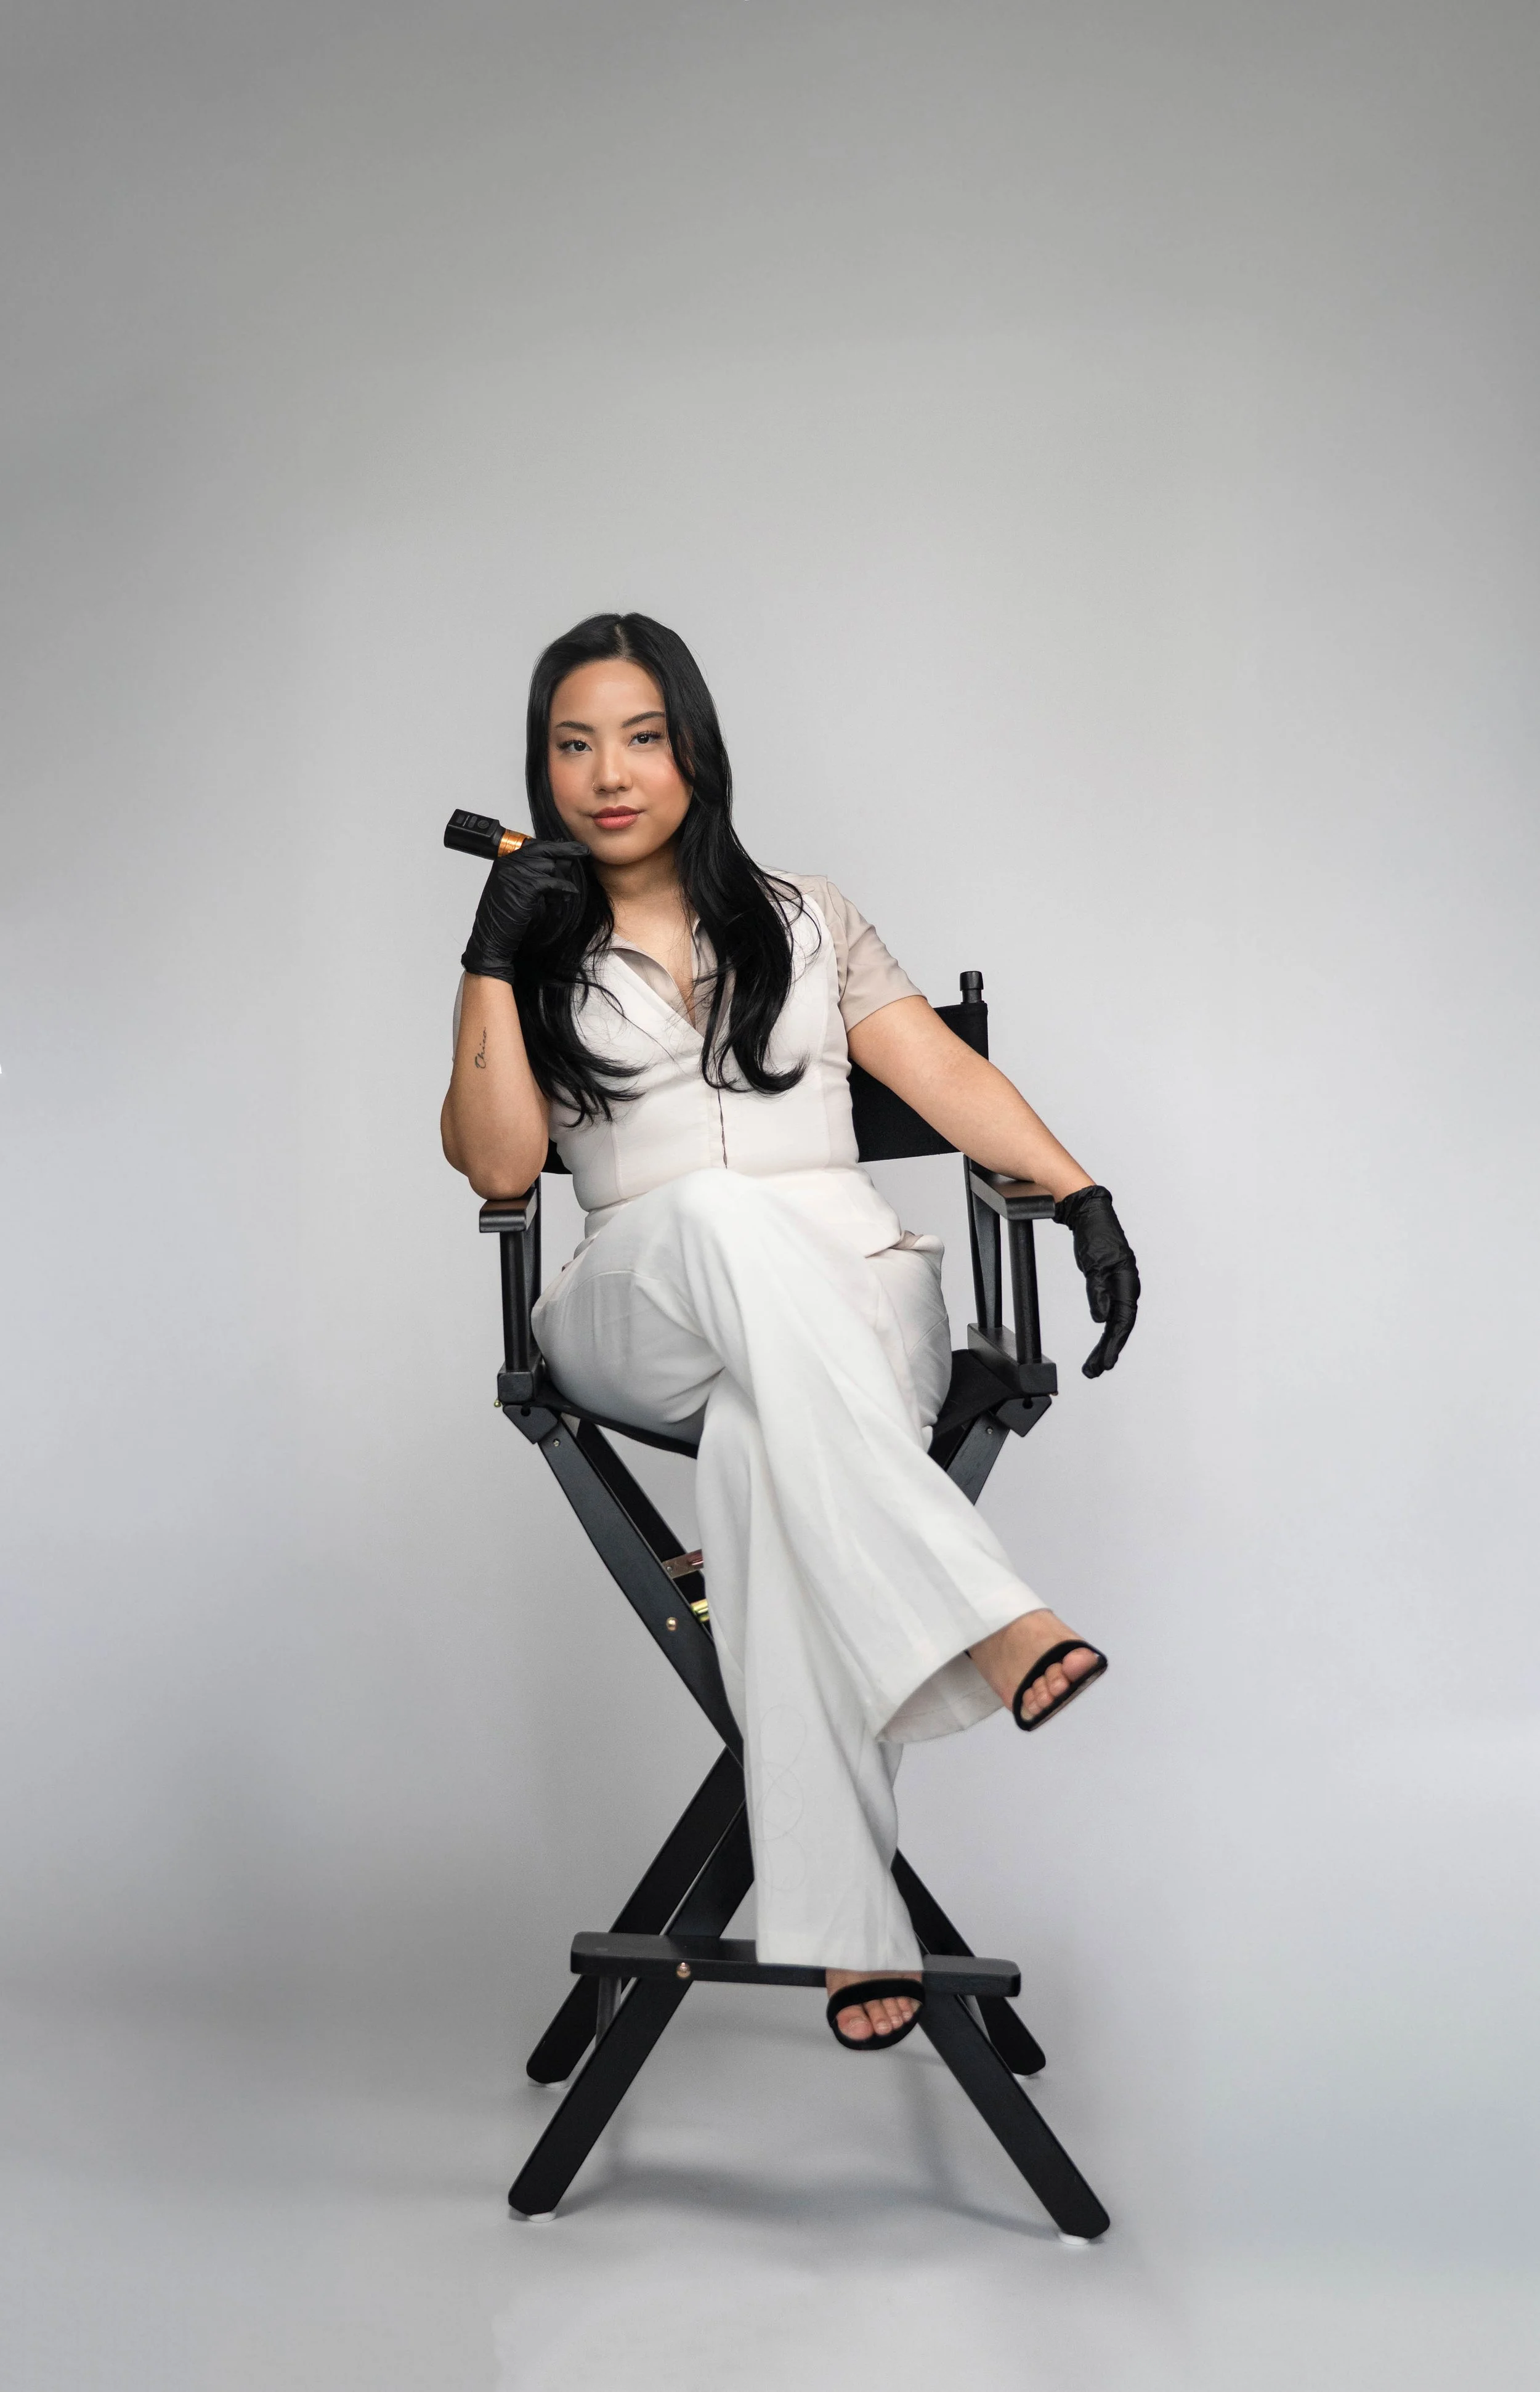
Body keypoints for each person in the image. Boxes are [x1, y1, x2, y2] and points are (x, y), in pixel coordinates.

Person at [441, 613, 1140, 2051]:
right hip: (643, 1299)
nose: (607, 774)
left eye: (639, 736)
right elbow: (500, 1168)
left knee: (770, 1454)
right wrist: (491, 959)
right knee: (712, 1214)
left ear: (694, 747)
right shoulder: (534, 939)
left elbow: (936, 1072)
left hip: (846, 1302)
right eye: (572, 745)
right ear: (542, 767)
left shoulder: (808, 914)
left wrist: (1076, 1192)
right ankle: (985, 1615)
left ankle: (845, 1926)